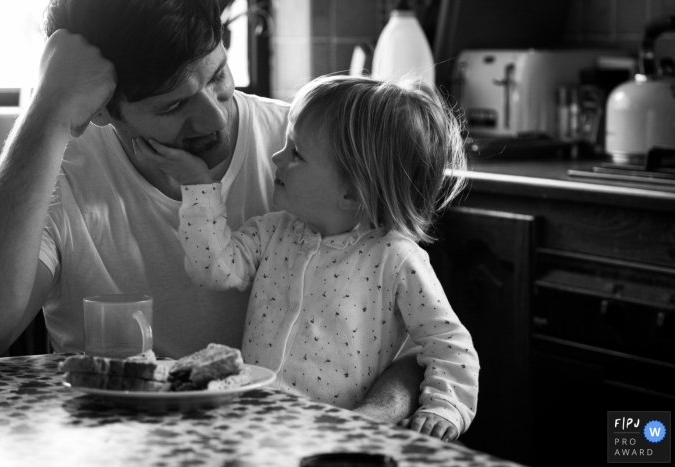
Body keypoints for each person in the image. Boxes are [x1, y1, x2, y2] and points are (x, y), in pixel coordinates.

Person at [0, 0, 424, 424]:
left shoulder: (309, 155)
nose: (213, 120)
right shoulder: (62, 172)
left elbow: (422, 346)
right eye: (172, 106)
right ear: (102, 109)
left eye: (218, 77)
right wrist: (47, 110)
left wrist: (362, 428)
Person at [135, 74, 479, 440]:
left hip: (335, 443)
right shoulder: (272, 231)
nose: (276, 157)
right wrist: (200, 186)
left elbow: (448, 343)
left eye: (295, 153)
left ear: (352, 193)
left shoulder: (397, 260)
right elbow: (214, 271)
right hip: (257, 429)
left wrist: (445, 406)